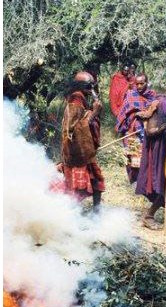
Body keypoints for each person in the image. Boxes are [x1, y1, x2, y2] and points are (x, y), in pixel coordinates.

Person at [136, 76, 166, 230]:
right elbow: (150, 131)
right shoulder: (161, 104)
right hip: (162, 152)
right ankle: (149, 216)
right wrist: (165, 126)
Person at [59, 71, 104, 211]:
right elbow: (71, 129)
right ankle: (71, 216)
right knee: (77, 187)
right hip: (76, 151)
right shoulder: (75, 100)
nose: (92, 90)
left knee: (96, 180)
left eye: (92, 86)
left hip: (86, 151)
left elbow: (82, 119)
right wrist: (94, 113)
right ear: (80, 86)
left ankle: (97, 212)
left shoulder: (82, 98)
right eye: (89, 87)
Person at [116, 73, 156, 183]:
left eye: (141, 84)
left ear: (146, 83)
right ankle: (135, 183)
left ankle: (146, 183)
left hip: (149, 131)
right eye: (137, 84)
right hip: (132, 132)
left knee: (147, 159)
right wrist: (136, 114)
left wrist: (148, 113)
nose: (139, 86)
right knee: (133, 159)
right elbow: (124, 113)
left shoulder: (152, 95)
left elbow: (156, 111)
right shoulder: (130, 95)